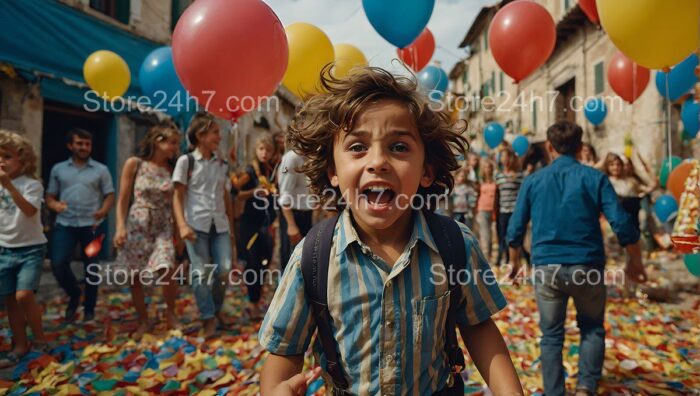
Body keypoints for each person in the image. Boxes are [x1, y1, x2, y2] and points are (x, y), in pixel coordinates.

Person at [259, 67, 522, 395]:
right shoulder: (313, 257)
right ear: (333, 172)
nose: (378, 161)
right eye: (357, 147)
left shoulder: (455, 245)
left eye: (398, 147)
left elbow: (479, 325)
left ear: (426, 171)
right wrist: (276, 389)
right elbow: (285, 350)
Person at [507, 121, 647, 396]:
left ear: (549, 147)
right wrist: (636, 261)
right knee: (592, 327)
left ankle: (555, 392)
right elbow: (621, 223)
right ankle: (585, 388)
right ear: (581, 147)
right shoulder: (595, 179)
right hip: (588, 266)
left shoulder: (533, 181)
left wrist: (514, 263)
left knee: (551, 336)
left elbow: (515, 228)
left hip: (547, 268)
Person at [114, 123, 182, 338]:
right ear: (157, 141)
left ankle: (171, 314)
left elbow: (176, 203)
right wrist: (120, 227)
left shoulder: (171, 170)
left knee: (167, 268)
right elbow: (123, 199)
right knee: (135, 275)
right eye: (171, 142)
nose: (175, 148)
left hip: (162, 225)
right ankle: (143, 320)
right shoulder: (134, 164)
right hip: (138, 223)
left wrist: (178, 232)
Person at [173, 112, 234, 338]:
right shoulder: (185, 161)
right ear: (200, 135)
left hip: (220, 226)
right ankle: (208, 317)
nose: (220, 136)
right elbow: (177, 196)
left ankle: (216, 310)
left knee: (225, 269)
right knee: (199, 273)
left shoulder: (223, 164)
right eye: (215, 132)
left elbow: (226, 196)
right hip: (195, 225)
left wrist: (232, 231)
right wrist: (181, 226)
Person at [47, 128, 114, 322]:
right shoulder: (58, 169)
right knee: (58, 264)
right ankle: (75, 293)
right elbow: (50, 196)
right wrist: (55, 205)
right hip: (65, 223)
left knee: (92, 268)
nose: (84, 147)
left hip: (91, 226)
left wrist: (104, 210)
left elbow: (110, 194)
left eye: (87, 144)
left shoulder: (101, 170)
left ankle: (89, 308)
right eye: (79, 143)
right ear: (70, 145)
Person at [0, 130, 50, 368]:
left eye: (7, 156)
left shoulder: (32, 184)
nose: (1, 161)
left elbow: (29, 211)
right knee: (10, 300)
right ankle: (19, 344)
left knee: (24, 295)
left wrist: (9, 186)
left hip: (30, 248)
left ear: (24, 160)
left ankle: (39, 339)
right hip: (4, 249)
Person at [235, 133, 277, 320]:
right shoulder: (249, 171)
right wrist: (254, 192)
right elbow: (236, 193)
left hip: (267, 225)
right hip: (249, 224)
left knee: (264, 263)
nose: (264, 153)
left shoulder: (272, 171)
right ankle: (252, 303)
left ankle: (256, 300)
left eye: (268, 150)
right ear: (256, 150)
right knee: (252, 264)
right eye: (261, 149)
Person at [278, 147, 313, 273]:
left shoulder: (313, 155)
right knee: (290, 263)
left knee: (307, 262)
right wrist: (291, 225)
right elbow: (285, 195)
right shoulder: (292, 158)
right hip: (293, 214)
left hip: (309, 214)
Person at [495, 146, 523, 266]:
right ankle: (506, 260)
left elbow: (522, 194)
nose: (504, 159)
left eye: (506, 156)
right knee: (502, 237)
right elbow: (497, 195)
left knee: (514, 236)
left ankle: (519, 260)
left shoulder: (519, 175)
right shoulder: (498, 176)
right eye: (502, 156)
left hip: (514, 211)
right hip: (502, 211)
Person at [476, 158, 497, 261]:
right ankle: (485, 258)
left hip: (493, 210)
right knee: (485, 234)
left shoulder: (496, 182)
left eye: (489, 167)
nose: (487, 169)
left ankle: (490, 256)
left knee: (492, 235)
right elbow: (476, 197)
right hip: (482, 210)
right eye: (485, 167)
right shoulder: (480, 182)